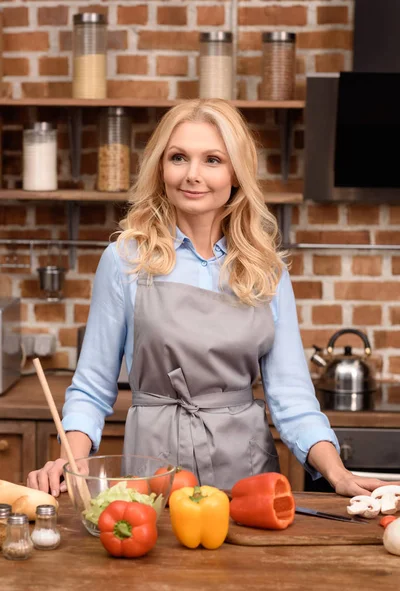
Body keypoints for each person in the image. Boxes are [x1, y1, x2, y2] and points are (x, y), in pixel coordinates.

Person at [27, 98, 388, 499]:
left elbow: (291, 396)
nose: (192, 175)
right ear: (161, 168)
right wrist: (70, 462)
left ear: (236, 173)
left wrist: (337, 474)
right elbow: (93, 387)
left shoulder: (265, 271)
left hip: (246, 477)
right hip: (154, 469)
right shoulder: (126, 260)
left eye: (212, 160)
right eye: (179, 157)